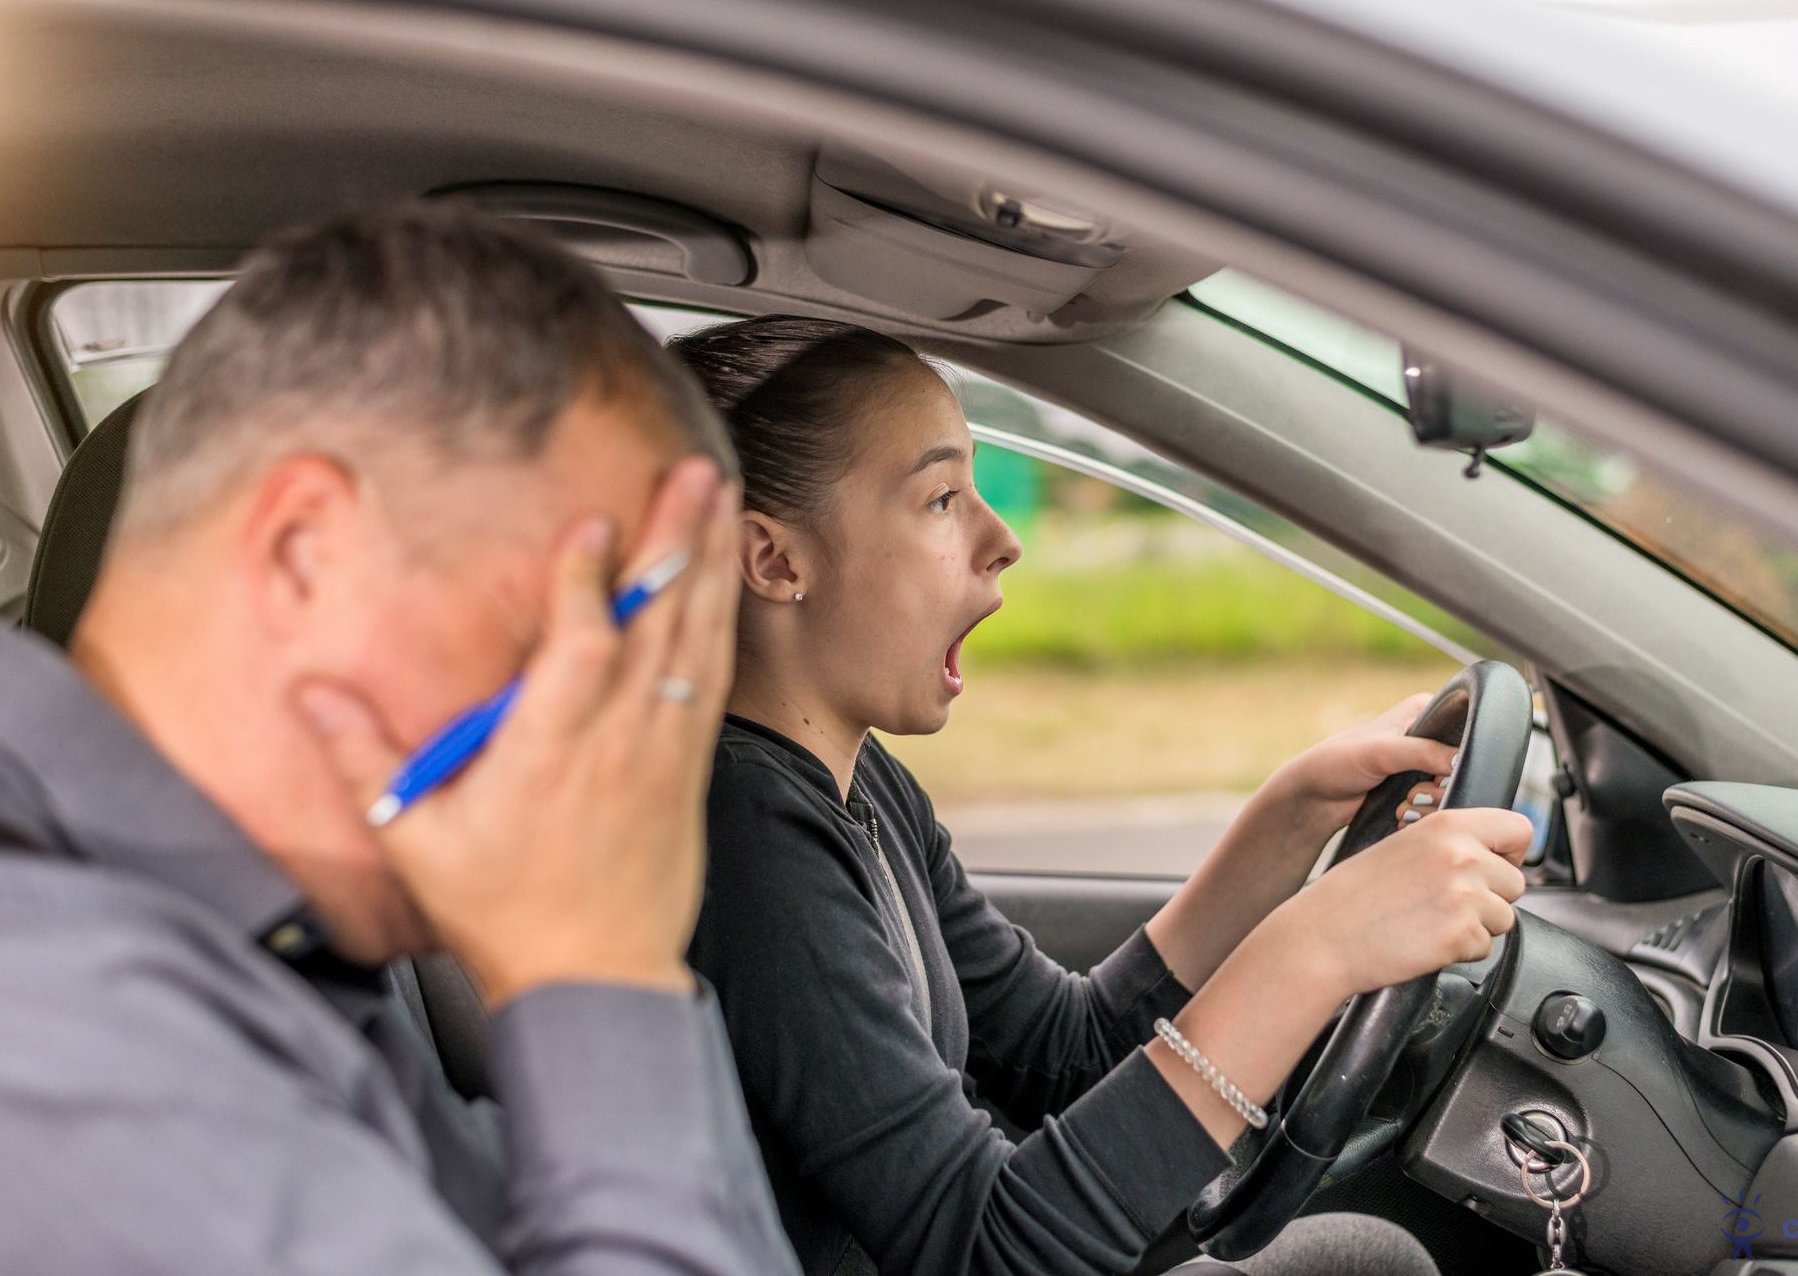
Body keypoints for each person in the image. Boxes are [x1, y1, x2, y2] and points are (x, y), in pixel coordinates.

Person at [0, 206, 800, 1273]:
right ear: (305, 554)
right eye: (575, 636)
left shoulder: (282, 944)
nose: (617, 732)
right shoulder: (56, 1014)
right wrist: (596, 968)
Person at [676, 315, 1535, 1276]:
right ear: (774, 559)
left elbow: (1063, 1051)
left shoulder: (855, 780)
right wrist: (1319, 949)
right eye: (942, 498)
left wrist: (1293, 814)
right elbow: (991, 1252)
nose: (1002, 539)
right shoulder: (745, 836)